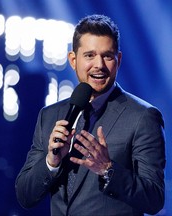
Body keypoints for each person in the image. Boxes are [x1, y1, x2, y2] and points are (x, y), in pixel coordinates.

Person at [15, 14, 166, 216]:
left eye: (107, 56)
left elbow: (154, 199)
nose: (99, 65)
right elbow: (25, 196)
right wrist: (51, 162)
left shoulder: (143, 117)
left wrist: (107, 169)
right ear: (73, 60)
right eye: (90, 55)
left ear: (118, 60)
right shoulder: (50, 116)